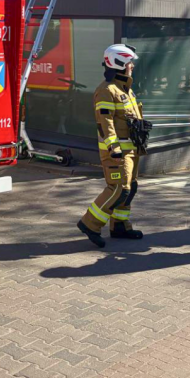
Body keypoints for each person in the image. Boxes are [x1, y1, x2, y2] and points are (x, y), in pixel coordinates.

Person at [77, 44, 145, 248]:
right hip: (117, 152)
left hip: (131, 150)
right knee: (118, 189)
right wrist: (113, 148)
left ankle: (120, 226)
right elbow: (104, 123)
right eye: (129, 62)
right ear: (120, 64)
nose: (132, 66)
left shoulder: (124, 89)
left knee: (130, 188)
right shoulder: (106, 91)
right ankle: (90, 223)